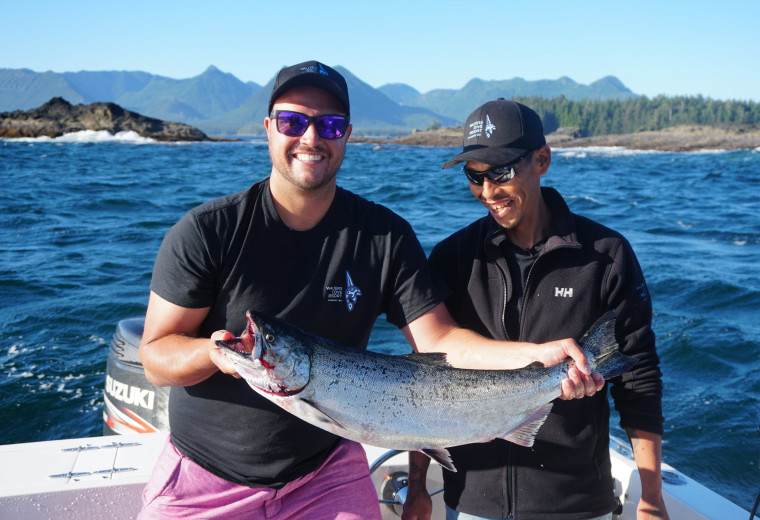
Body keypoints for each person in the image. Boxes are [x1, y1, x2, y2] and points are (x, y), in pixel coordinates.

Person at [136, 62, 601, 520]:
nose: (311, 138)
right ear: (268, 129)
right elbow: (156, 357)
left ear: (348, 134)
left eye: (330, 125)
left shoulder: (384, 235)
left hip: (325, 472)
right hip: (207, 477)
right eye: (293, 122)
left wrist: (537, 357)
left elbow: (438, 342)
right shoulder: (208, 231)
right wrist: (213, 354)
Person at [402, 99, 668, 520]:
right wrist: (418, 484)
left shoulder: (607, 255)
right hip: (471, 501)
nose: (488, 191)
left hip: (577, 503)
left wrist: (651, 497)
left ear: (542, 160)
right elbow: (425, 381)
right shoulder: (452, 258)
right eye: (475, 176)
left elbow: (639, 380)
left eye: (501, 172)